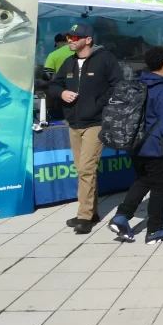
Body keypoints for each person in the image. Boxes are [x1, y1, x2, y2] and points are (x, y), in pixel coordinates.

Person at [50, 23, 124, 234]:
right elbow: (55, 84)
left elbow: (117, 85)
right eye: (69, 38)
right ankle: (91, 212)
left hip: (95, 123)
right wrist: (62, 93)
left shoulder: (105, 59)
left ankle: (84, 216)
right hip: (74, 123)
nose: (70, 41)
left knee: (86, 169)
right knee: (83, 170)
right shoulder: (68, 62)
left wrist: (98, 104)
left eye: (75, 38)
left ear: (88, 40)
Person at [109, 47, 163, 244]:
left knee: (143, 180)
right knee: (161, 187)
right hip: (157, 147)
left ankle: (122, 216)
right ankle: (155, 230)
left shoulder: (137, 83)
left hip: (136, 143)